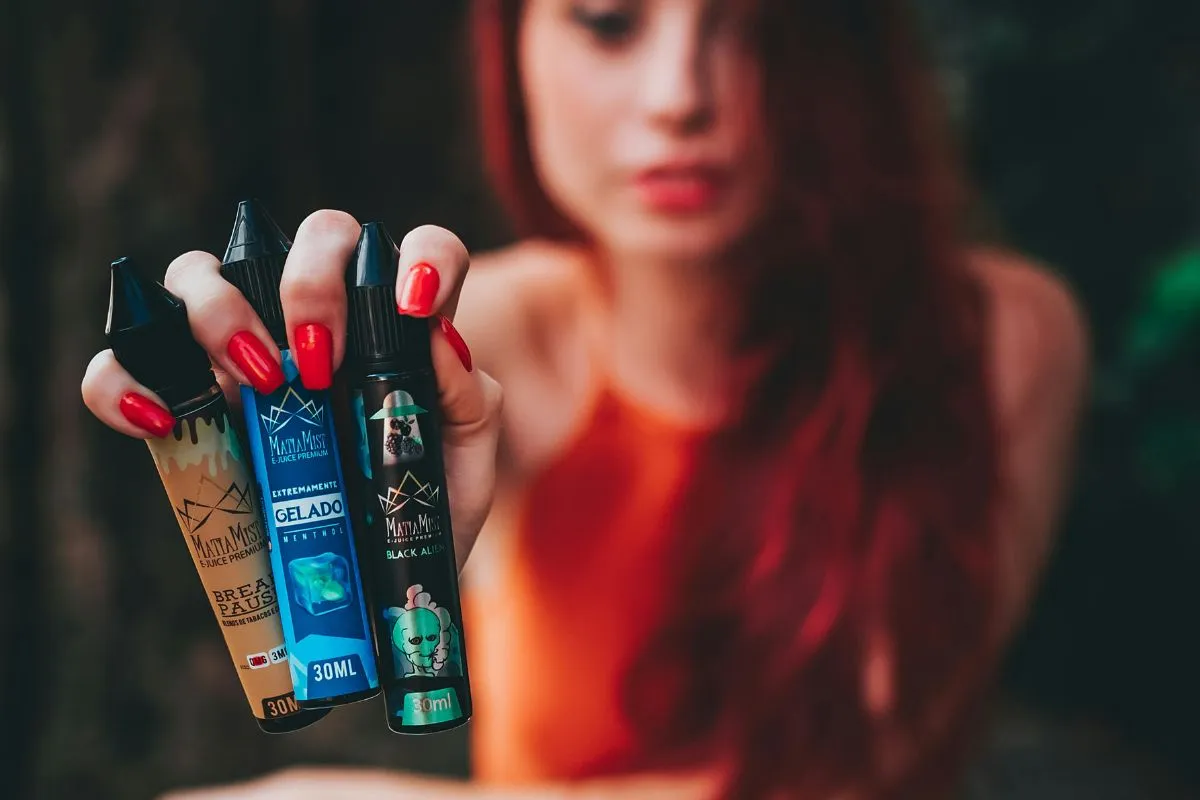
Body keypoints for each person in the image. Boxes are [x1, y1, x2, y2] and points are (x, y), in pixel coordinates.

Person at [80, 0, 1089, 797]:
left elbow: (854, 778)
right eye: (609, 21)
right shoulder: (479, 340)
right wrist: (283, 476)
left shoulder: (996, 340)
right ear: (511, 43)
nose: (680, 96)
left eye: (758, 29)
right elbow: (343, 583)